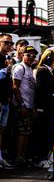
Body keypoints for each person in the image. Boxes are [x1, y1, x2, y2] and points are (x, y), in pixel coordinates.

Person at [31, 49, 54, 167]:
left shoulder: (47, 71)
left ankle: (42, 157)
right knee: (42, 133)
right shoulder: (42, 71)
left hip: (49, 108)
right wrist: (53, 99)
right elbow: (39, 90)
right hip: (43, 108)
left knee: (47, 132)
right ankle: (40, 159)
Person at [11, 45, 37, 166]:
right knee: (21, 132)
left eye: (33, 55)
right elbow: (15, 87)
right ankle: (17, 158)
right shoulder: (20, 68)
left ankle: (22, 157)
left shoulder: (29, 69)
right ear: (22, 55)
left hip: (29, 105)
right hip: (22, 105)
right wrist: (22, 105)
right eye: (28, 55)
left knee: (26, 132)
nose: (31, 57)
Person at [0, 33, 14, 168]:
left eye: (11, 43)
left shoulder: (7, 58)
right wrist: (6, 69)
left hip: (5, 99)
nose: (9, 45)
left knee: (2, 130)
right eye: (6, 42)